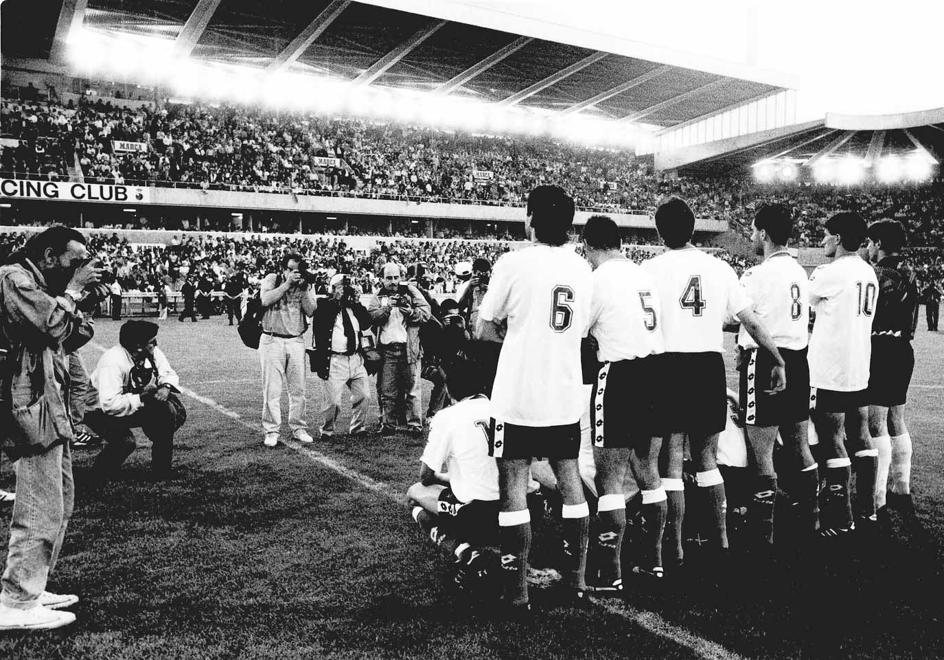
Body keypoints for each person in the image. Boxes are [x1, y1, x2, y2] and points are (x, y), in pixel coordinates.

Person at [641, 197, 786, 573]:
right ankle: (721, 539)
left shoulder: (650, 269)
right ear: (693, 229)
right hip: (707, 365)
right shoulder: (719, 267)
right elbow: (749, 321)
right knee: (707, 458)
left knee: (671, 461)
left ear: (659, 231)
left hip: (668, 366)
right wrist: (777, 356)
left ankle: (674, 548)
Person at [476, 185, 593, 611]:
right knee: (571, 482)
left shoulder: (513, 262)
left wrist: (516, 335)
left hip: (517, 395)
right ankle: (578, 582)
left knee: (513, 488)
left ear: (530, 218)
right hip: (563, 393)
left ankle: (518, 591)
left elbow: (484, 329)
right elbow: (583, 333)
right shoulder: (583, 269)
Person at [0, 225, 102, 631]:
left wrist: (84, 300)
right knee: (39, 505)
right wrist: (74, 292)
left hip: (48, 402)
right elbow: (51, 325)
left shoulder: (42, 285)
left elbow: (73, 334)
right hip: (27, 402)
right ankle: (16, 601)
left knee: (60, 501)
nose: (80, 269)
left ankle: (32, 586)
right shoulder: (13, 278)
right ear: (48, 256)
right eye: (74, 262)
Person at [581, 215, 667, 588]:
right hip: (656, 373)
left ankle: (609, 571)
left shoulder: (596, 280)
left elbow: (578, 331)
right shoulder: (643, 274)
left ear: (588, 245)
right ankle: (654, 560)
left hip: (620, 375)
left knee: (610, 477)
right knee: (649, 472)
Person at [736, 204, 819, 551]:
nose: (753, 237)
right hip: (799, 361)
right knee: (799, 445)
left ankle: (763, 530)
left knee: (762, 451)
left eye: (755, 231)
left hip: (767, 362)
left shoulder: (757, 275)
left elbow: (743, 318)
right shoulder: (801, 271)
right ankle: (811, 516)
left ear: (765, 234)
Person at [808, 211, 879, 537]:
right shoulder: (869, 272)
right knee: (861, 433)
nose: (822, 240)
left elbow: (805, 304)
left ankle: (842, 518)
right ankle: (868, 509)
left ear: (837, 238)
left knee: (832, 437)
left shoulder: (831, 273)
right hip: (859, 366)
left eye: (825, 235)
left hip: (831, 369)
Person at [406, 360, 498, 593]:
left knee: (414, 494)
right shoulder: (500, 409)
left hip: (480, 513)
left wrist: (441, 478)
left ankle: (466, 552)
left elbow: (425, 476)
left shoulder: (447, 417)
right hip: (518, 508)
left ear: (448, 389)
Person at [84, 320, 186, 481]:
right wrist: (141, 397)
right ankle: (99, 474)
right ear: (139, 346)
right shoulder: (112, 361)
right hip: (99, 411)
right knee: (125, 442)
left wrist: (165, 387)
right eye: (152, 342)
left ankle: (161, 470)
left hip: (131, 401)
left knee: (171, 410)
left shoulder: (150, 352)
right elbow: (110, 404)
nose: (156, 344)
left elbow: (168, 372)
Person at [865, 220, 919, 515]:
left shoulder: (879, 274)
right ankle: (902, 488)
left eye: (871, 243)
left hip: (881, 349)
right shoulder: (911, 271)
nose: (869, 248)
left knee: (875, 422)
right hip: (903, 350)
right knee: (897, 419)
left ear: (880, 243)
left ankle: (877, 498)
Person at [259, 253, 317, 447]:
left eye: (297, 270)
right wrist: (286, 285)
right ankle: (271, 430)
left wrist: (305, 288)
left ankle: (298, 427)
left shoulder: (305, 284)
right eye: (291, 269)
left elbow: (311, 310)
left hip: (295, 340)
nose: (294, 273)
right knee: (272, 389)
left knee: (298, 389)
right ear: (283, 269)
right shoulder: (272, 279)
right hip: (272, 339)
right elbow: (265, 300)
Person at [367, 263, 431, 437]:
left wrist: (410, 312)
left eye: (396, 277)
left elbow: (426, 313)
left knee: (413, 390)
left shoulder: (411, 292)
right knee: (387, 391)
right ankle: (388, 424)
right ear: (382, 279)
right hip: (387, 350)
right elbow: (371, 316)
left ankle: (415, 425)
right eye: (389, 278)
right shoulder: (378, 296)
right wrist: (388, 308)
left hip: (409, 348)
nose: (393, 281)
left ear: (401, 277)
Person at [311, 274, 372, 439]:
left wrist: (356, 301)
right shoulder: (324, 305)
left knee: (364, 395)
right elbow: (320, 315)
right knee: (333, 402)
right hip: (334, 360)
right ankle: (327, 430)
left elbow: (367, 322)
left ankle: (358, 428)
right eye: (342, 286)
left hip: (355, 358)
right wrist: (336, 299)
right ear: (332, 288)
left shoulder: (354, 307)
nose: (346, 290)